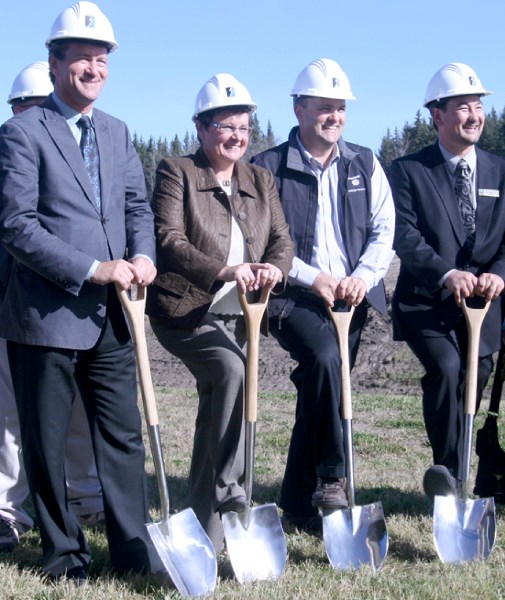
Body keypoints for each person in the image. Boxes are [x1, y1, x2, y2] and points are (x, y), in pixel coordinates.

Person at [0, 2, 162, 582]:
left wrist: (142, 255)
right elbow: (17, 226)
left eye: (102, 59)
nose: (93, 69)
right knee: (44, 444)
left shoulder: (116, 133)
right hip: (45, 316)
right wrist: (95, 267)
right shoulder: (21, 133)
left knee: (122, 437)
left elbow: (137, 209)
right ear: (54, 62)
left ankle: (133, 551)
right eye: (82, 59)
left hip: (113, 319)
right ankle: (65, 554)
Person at [146, 73, 294, 552]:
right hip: (186, 309)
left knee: (224, 403)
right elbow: (169, 241)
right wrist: (226, 270)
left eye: (245, 128)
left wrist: (273, 269)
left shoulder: (260, 179)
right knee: (231, 372)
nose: (237, 136)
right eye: (226, 126)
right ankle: (231, 492)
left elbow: (283, 241)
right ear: (202, 128)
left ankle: (204, 523)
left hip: (244, 313)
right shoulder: (177, 171)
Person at [252, 58, 395, 533]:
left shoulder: (364, 161)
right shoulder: (267, 168)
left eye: (340, 108)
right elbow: (262, 242)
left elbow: (383, 229)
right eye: (323, 108)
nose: (334, 117)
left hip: (350, 298)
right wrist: (315, 278)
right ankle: (333, 478)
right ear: (298, 109)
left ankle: (295, 503)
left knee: (320, 390)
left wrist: (363, 275)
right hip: (291, 297)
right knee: (326, 362)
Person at [390, 63, 505, 501]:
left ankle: (455, 473)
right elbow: (404, 235)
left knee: (477, 373)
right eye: (463, 107)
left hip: (484, 307)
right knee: (447, 369)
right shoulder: (409, 171)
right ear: (437, 116)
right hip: (426, 302)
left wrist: (500, 277)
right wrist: (448, 274)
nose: (474, 115)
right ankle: (450, 475)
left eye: (479, 106)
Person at [0, 61, 104, 554]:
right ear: (17, 109)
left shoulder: (80, 155)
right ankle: (7, 509)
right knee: (10, 416)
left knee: (79, 413)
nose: (38, 115)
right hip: (13, 305)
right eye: (28, 106)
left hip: (70, 307)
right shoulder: (12, 148)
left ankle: (86, 499)